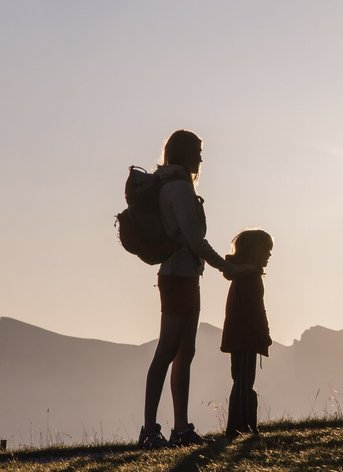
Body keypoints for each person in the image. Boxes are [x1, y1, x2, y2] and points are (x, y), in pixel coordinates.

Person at [139, 130, 245, 448]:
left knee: (182, 352)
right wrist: (226, 267)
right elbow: (196, 240)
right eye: (198, 151)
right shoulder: (180, 189)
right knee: (169, 352)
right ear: (185, 153)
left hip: (181, 276)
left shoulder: (167, 185)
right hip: (180, 277)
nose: (201, 157)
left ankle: (176, 428)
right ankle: (153, 429)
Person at [220, 229, 273, 439]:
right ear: (255, 251)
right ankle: (240, 427)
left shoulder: (242, 274)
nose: (269, 255)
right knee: (244, 381)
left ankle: (244, 425)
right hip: (246, 337)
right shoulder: (250, 276)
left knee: (242, 380)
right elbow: (256, 309)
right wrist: (263, 333)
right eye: (266, 250)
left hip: (238, 336)